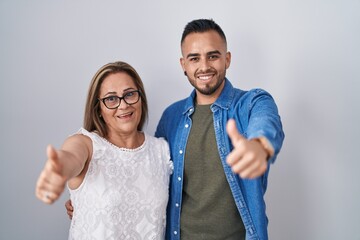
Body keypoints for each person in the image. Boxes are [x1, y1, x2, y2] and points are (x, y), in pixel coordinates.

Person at [66, 19, 284, 239]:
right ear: (183, 65)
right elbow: (147, 175)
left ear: (227, 59)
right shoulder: (172, 117)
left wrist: (259, 146)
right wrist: (89, 200)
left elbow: (266, 125)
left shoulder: (252, 103)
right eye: (194, 58)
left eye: (213, 56)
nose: (204, 66)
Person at [35, 61, 173, 239]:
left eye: (129, 94)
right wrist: (60, 168)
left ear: (140, 98)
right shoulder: (87, 144)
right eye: (111, 99)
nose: (123, 105)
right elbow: (71, 156)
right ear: (98, 108)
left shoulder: (161, 149)